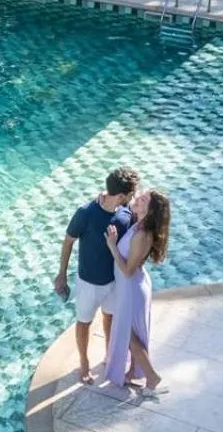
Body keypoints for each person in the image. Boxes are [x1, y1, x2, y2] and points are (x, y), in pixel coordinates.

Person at [55, 166, 139, 385]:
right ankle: (84, 363)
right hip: (88, 283)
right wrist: (62, 275)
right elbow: (68, 242)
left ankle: (110, 356)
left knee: (110, 317)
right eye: (131, 194)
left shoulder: (126, 212)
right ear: (121, 195)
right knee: (84, 322)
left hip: (113, 281)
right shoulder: (86, 213)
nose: (133, 197)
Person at [105, 188, 171, 397]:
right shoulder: (139, 224)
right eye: (140, 196)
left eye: (143, 200)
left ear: (149, 210)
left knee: (128, 334)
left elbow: (128, 270)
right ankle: (134, 371)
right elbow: (123, 201)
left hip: (132, 288)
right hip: (131, 287)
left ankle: (152, 377)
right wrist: (105, 196)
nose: (138, 199)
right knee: (131, 334)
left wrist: (112, 246)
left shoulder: (142, 234)